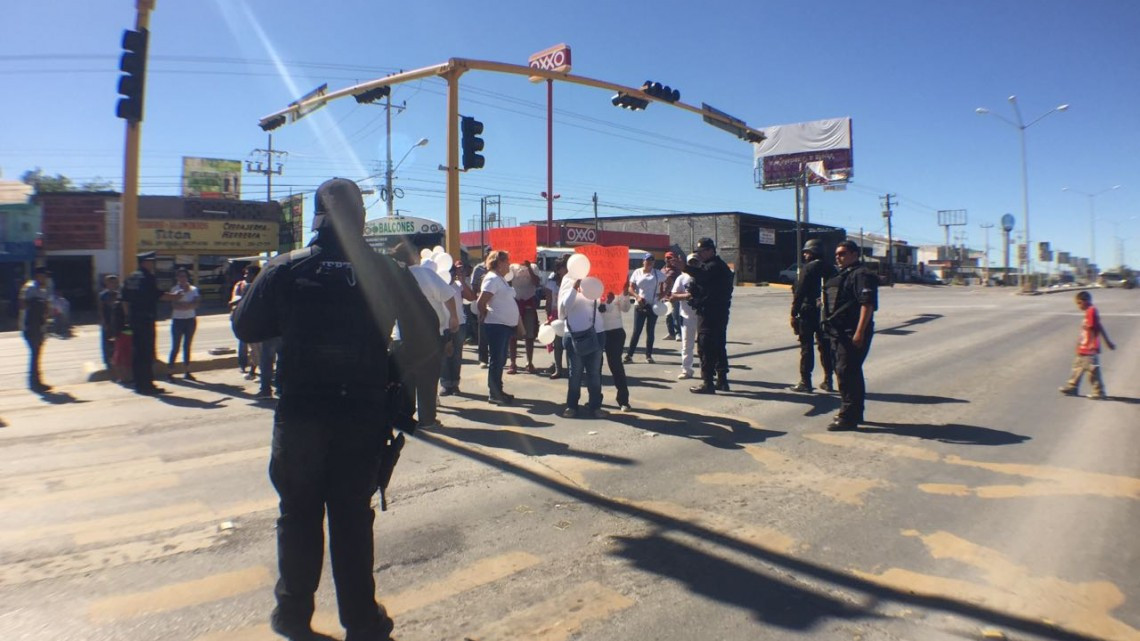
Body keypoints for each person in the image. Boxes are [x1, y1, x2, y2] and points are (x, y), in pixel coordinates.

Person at [232, 178, 436, 641]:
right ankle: (361, 620)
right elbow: (428, 336)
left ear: (316, 216)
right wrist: (392, 374)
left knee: (298, 515)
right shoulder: (386, 270)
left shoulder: (286, 269)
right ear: (360, 216)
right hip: (361, 416)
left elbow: (246, 327)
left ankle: (292, 616)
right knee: (351, 518)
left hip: (300, 414)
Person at [394, 242, 459, 429]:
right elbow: (448, 295)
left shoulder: (395, 277)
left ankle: (405, 416)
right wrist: (453, 318)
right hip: (429, 337)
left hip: (402, 336)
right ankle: (427, 419)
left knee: (407, 379)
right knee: (428, 379)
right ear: (413, 255)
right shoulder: (426, 274)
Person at [822, 240, 879, 430]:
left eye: (843, 253)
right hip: (840, 332)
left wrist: (859, 332)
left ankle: (848, 416)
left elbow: (867, 304)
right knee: (849, 372)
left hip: (852, 332)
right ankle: (855, 412)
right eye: (837, 254)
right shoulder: (845, 274)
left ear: (855, 254)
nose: (838, 257)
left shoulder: (861, 274)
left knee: (846, 373)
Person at [122, 252, 181, 395]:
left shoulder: (130, 278)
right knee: (147, 353)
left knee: (137, 353)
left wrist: (128, 318)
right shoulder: (147, 277)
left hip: (135, 320)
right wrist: (175, 297)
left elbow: (124, 300)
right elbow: (159, 295)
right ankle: (147, 385)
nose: (153, 264)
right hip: (146, 320)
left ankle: (138, 383)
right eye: (151, 261)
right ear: (145, 262)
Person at [685, 238, 735, 394]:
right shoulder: (716, 266)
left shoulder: (715, 266)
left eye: (701, 252)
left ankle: (708, 382)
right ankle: (722, 380)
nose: (699, 255)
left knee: (705, 346)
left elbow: (703, 276)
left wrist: (685, 268)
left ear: (710, 250)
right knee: (719, 345)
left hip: (710, 313)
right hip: (717, 313)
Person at [788, 239, 837, 393]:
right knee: (826, 347)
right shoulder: (832, 269)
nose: (804, 254)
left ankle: (805, 381)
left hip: (808, 311)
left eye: (807, 252)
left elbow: (799, 292)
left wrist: (793, 312)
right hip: (826, 313)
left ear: (813, 252)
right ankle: (828, 380)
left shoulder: (808, 268)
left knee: (806, 347)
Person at [476, 250, 520, 405]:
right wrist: (486, 315)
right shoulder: (492, 279)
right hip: (496, 326)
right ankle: (494, 393)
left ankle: (498, 391)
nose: (509, 263)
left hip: (503, 326)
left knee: (500, 359)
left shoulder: (499, 279)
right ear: (499, 262)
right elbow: (481, 302)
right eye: (506, 260)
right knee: (497, 359)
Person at [559, 279, 606, 418]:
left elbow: (601, 307)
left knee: (594, 374)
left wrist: (606, 301)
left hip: (596, 334)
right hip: (576, 337)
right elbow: (565, 305)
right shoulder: (569, 285)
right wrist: (575, 287)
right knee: (575, 374)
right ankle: (572, 406)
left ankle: (595, 406)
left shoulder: (593, 286)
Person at [1059, 291, 1115, 399]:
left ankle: (1099, 392)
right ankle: (1072, 387)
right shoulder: (1090, 312)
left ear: (1085, 301)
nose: (1079, 306)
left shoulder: (1091, 311)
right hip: (1084, 347)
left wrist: (1093, 344)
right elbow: (1099, 326)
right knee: (1078, 367)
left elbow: (1094, 329)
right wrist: (1107, 342)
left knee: (1092, 370)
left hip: (1089, 348)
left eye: (1079, 303)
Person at [441, 262, 476, 396]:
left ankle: (454, 384)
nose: (451, 275)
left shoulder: (458, 286)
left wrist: (462, 281)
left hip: (459, 325)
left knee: (456, 356)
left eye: (453, 272)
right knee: (444, 355)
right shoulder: (438, 285)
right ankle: (445, 383)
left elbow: (472, 297)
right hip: (443, 325)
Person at [625, 253, 666, 364]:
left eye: (652, 261)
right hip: (640, 305)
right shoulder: (637, 272)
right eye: (647, 260)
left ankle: (648, 355)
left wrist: (663, 293)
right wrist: (637, 296)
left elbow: (668, 281)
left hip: (653, 305)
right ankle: (629, 355)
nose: (649, 263)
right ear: (643, 261)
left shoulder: (657, 273)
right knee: (636, 331)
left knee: (650, 331)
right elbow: (630, 288)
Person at [19, 267, 52, 392]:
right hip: (30, 326)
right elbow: (22, 304)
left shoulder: (44, 289)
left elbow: (47, 306)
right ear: (37, 276)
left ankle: (36, 381)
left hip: (40, 326)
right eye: (43, 276)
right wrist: (35, 304)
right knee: (35, 354)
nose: (45, 279)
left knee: (37, 354)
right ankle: (34, 382)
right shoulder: (30, 287)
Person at [598, 289, 632, 411]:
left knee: (616, 365)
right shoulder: (593, 284)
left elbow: (626, 308)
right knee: (596, 366)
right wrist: (607, 303)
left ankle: (623, 400)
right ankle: (596, 399)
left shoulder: (617, 284)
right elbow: (596, 310)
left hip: (615, 330)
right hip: (598, 331)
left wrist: (625, 293)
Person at [667, 256, 698, 379]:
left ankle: (708, 370)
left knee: (704, 345)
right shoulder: (682, 277)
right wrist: (688, 296)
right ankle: (686, 369)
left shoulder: (702, 276)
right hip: (687, 315)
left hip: (702, 315)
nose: (693, 264)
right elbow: (673, 295)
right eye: (691, 262)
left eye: (696, 262)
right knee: (687, 344)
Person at [167, 268, 201, 380]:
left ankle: (187, 371)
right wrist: (187, 305)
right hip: (178, 320)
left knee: (187, 345)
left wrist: (185, 305)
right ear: (177, 278)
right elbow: (174, 305)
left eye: (184, 276)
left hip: (190, 319)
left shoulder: (193, 289)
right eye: (180, 276)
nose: (182, 278)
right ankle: (170, 371)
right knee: (175, 346)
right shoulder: (174, 289)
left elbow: (196, 303)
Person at [508, 260, 540, 374]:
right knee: (513, 336)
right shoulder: (512, 267)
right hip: (515, 303)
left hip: (528, 304)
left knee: (529, 336)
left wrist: (529, 268)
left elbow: (537, 282)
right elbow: (507, 281)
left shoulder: (534, 266)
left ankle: (529, 362)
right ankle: (513, 363)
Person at [231, 265, 259, 374]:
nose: (245, 276)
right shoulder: (240, 285)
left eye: (248, 273)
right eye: (245, 273)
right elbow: (234, 300)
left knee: (255, 346)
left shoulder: (259, 285)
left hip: (254, 319)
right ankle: (242, 365)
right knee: (243, 343)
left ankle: (253, 368)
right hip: (241, 318)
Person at [543, 259, 568, 379]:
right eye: (564, 267)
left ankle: (572, 368)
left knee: (569, 344)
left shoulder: (573, 282)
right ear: (558, 270)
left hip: (570, 315)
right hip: (556, 316)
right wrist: (548, 317)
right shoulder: (551, 284)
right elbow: (548, 302)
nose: (567, 269)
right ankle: (558, 369)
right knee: (557, 344)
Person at [98, 274, 123, 372]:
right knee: (107, 341)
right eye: (111, 282)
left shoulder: (119, 294)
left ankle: (117, 360)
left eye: (115, 282)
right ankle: (108, 361)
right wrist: (103, 321)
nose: (113, 284)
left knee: (117, 341)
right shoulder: (103, 295)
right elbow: (101, 309)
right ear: (106, 283)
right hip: (107, 321)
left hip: (117, 321)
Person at [470, 253, 490, 364]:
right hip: (482, 302)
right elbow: (473, 286)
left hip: (496, 304)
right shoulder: (479, 269)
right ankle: (483, 359)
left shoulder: (499, 268)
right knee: (482, 332)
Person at [662, 251, 681, 340]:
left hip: (674, 296)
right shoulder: (662, 270)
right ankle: (671, 333)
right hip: (665, 296)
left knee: (675, 315)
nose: (669, 260)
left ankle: (678, 334)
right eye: (667, 258)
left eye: (671, 258)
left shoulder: (676, 270)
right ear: (665, 259)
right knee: (668, 315)